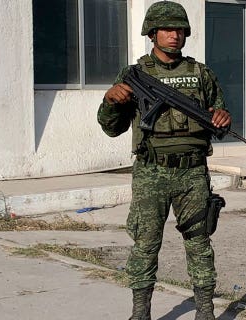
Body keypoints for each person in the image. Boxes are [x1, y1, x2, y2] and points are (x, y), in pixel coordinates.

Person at [97, 2, 230, 319]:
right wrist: (111, 102)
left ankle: (205, 311)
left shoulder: (201, 75)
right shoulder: (136, 75)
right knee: (145, 244)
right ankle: (140, 312)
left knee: (199, 244)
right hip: (151, 171)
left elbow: (219, 122)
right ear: (152, 33)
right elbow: (111, 128)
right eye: (168, 29)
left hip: (193, 173)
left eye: (180, 29)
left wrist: (224, 119)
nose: (175, 35)